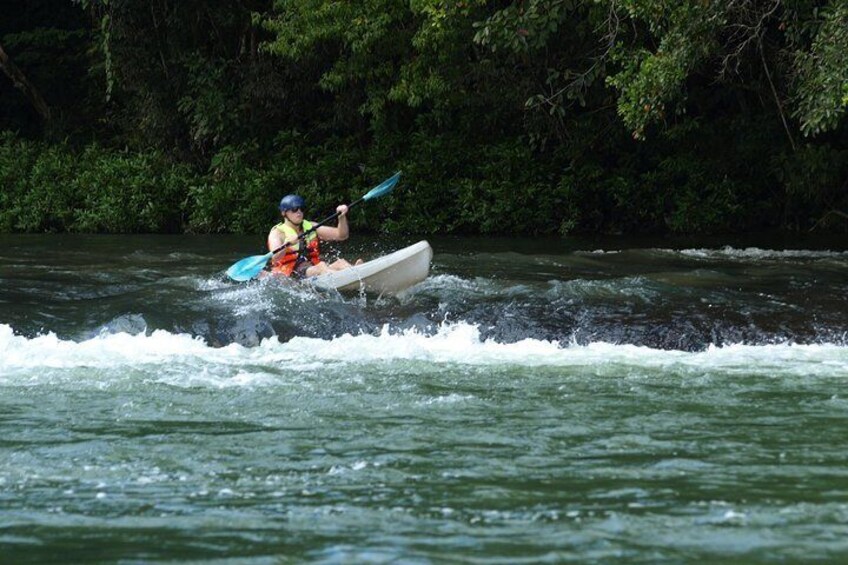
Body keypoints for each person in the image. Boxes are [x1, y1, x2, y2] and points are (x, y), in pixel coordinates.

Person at [266, 193, 358, 278]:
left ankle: (356, 272)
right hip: (291, 273)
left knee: (340, 263)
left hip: (314, 267)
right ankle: (344, 277)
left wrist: (341, 217)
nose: (299, 212)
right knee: (321, 266)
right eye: (294, 209)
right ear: (284, 213)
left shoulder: (311, 226)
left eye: (301, 209)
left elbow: (342, 235)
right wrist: (287, 244)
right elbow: (275, 257)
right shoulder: (277, 232)